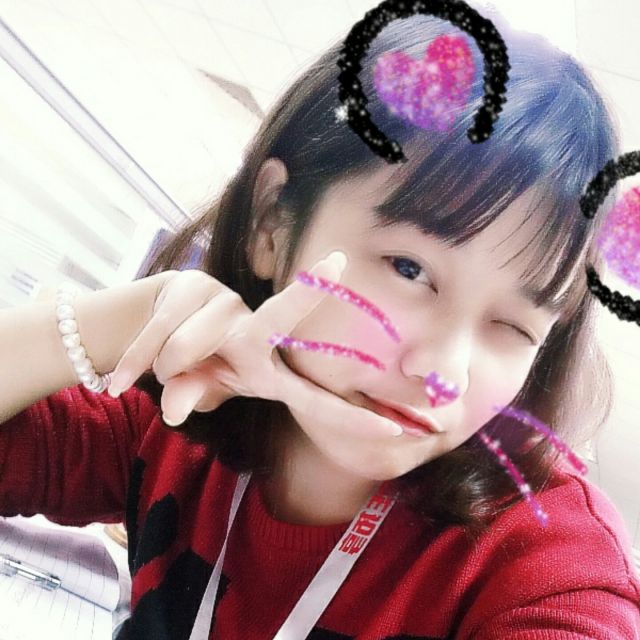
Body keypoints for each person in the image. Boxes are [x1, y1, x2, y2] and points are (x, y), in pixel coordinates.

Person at [1, 5, 639, 639]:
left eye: (515, 327)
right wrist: (116, 324)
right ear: (272, 225)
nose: (444, 373)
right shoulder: (173, 417)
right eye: (409, 269)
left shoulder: (545, 563)